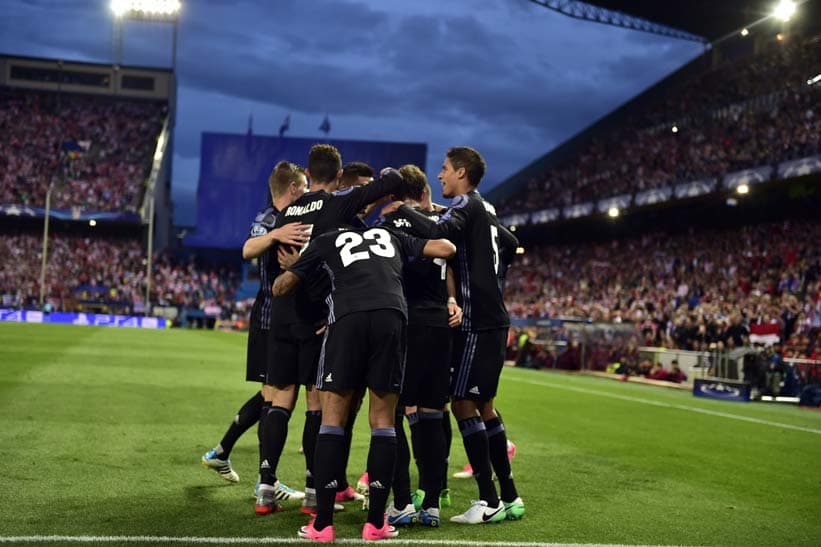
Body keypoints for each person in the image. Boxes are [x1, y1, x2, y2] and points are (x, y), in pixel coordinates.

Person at [271, 224, 456, 542]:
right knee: (384, 422)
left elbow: (281, 288)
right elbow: (446, 249)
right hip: (392, 314)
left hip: (347, 316)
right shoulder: (390, 236)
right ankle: (376, 524)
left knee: (333, 419)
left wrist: (294, 268)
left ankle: (322, 525)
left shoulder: (326, 239)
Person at [256, 145, 411, 515]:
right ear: (339, 177)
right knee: (318, 405)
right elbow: (393, 181)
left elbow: (279, 265)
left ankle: (264, 486)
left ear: (307, 174)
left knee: (278, 399)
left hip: (280, 313)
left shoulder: (287, 211)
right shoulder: (337, 204)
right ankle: (315, 491)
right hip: (318, 318)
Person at [383, 146, 524, 524]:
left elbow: (440, 233)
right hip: (488, 316)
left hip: (478, 320)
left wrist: (405, 211)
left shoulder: (465, 204)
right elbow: (511, 245)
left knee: (462, 404)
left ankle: (489, 499)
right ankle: (508, 496)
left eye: (445, 169)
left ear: (461, 172)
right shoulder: (484, 209)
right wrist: (492, 280)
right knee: (483, 405)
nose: (441, 175)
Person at [200, 161, 310, 500]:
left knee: (271, 395)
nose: (307, 194)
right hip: (269, 317)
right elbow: (248, 248)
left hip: (280, 316)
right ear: (292, 189)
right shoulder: (269, 218)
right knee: (278, 396)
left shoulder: (294, 218)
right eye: (304, 188)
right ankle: (267, 480)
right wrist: (275, 235)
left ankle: (223, 453)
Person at [365, 164, 462, 528]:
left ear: (392, 196)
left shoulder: (388, 226)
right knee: (434, 415)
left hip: (404, 324)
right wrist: (452, 299)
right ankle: (433, 504)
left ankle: (402, 501)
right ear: (423, 193)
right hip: (439, 324)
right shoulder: (439, 224)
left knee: (391, 415)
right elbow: (448, 260)